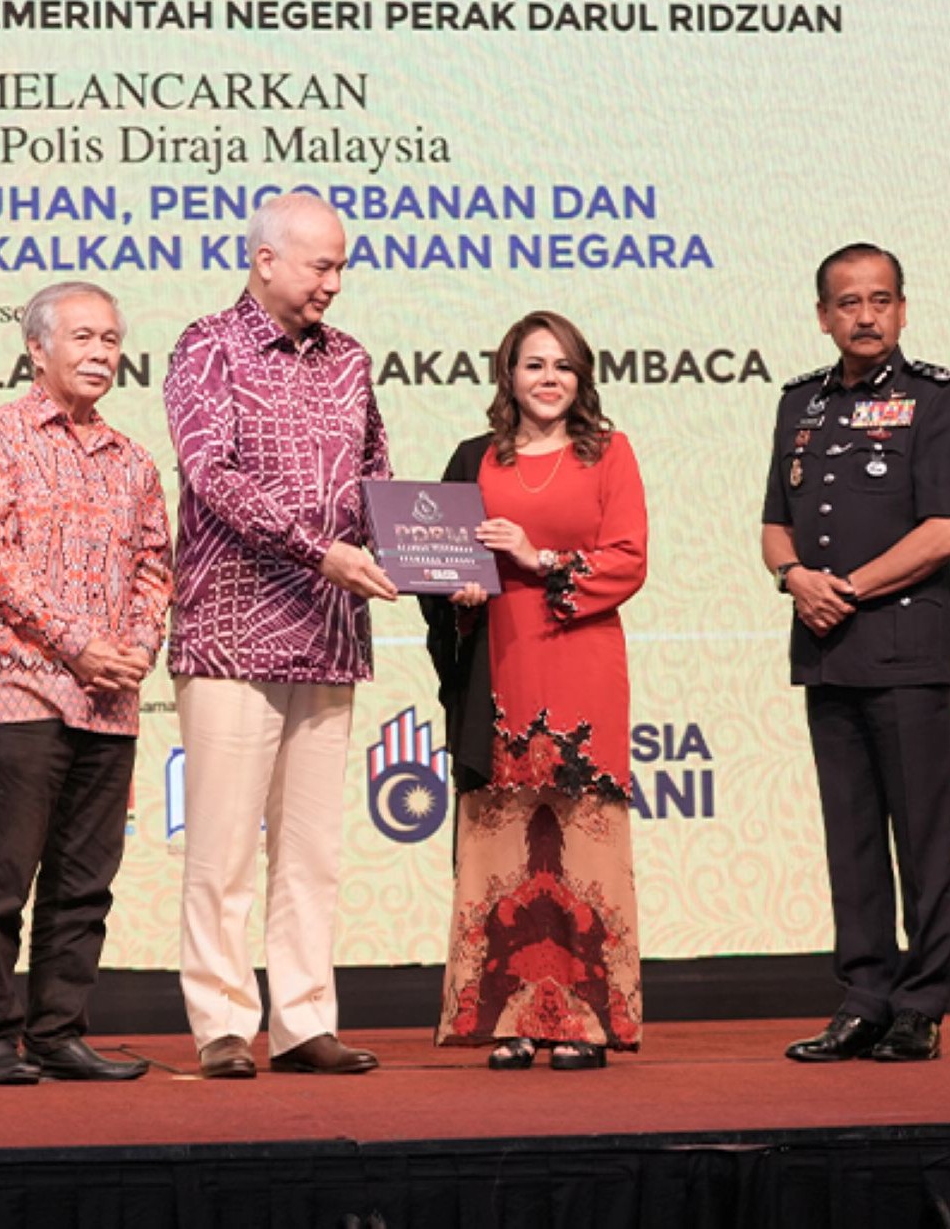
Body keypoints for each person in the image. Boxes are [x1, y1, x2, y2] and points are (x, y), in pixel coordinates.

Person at [164, 190, 396, 1081]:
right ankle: (223, 1023)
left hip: (327, 633)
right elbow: (211, 475)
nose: (333, 283)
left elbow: (375, 477)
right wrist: (318, 551)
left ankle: (302, 1021)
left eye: (341, 267)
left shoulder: (350, 360)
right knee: (222, 850)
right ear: (265, 260)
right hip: (232, 631)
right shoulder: (207, 347)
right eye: (319, 265)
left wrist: (422, 556)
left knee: (311, 853)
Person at [0, 281, 172, 1086]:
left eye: (110, 340)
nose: (99, 353)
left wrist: (137, 647)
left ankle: (58, 1032)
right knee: (4, 877)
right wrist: (81, 645)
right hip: (23, 688)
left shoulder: (134, 460)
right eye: (82, 338)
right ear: (36, 349)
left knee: (86, 881)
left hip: (110, 697)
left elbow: (155, 567)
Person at [424, 310, 647, 1070]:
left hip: (581, 660)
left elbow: (628, 560)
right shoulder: (475, 460)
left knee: (580, 838)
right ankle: (511, 1019)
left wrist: (539, 556)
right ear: (508, 376)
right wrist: (457, 591)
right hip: (500, 661)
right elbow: (442, 562)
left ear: (581, 378)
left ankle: (584, 1022)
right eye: (533, 365)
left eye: (563, 366)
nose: (549, 379)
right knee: (503, 838)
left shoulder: (609, 453)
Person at [762, 242, 950, 1063]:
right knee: (848, 837)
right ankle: (863, 998)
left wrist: (842, 588)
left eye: (880, 300)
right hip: (825, 648)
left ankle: (920, 1003)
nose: (865, 316)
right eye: (847, 303)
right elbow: (774, 524)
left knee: (920, 836)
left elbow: (946, 530)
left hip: (905, 649)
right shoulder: (799, 405)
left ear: (902, 310)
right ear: (823, 316)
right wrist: (792, 578)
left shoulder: (937, 402)